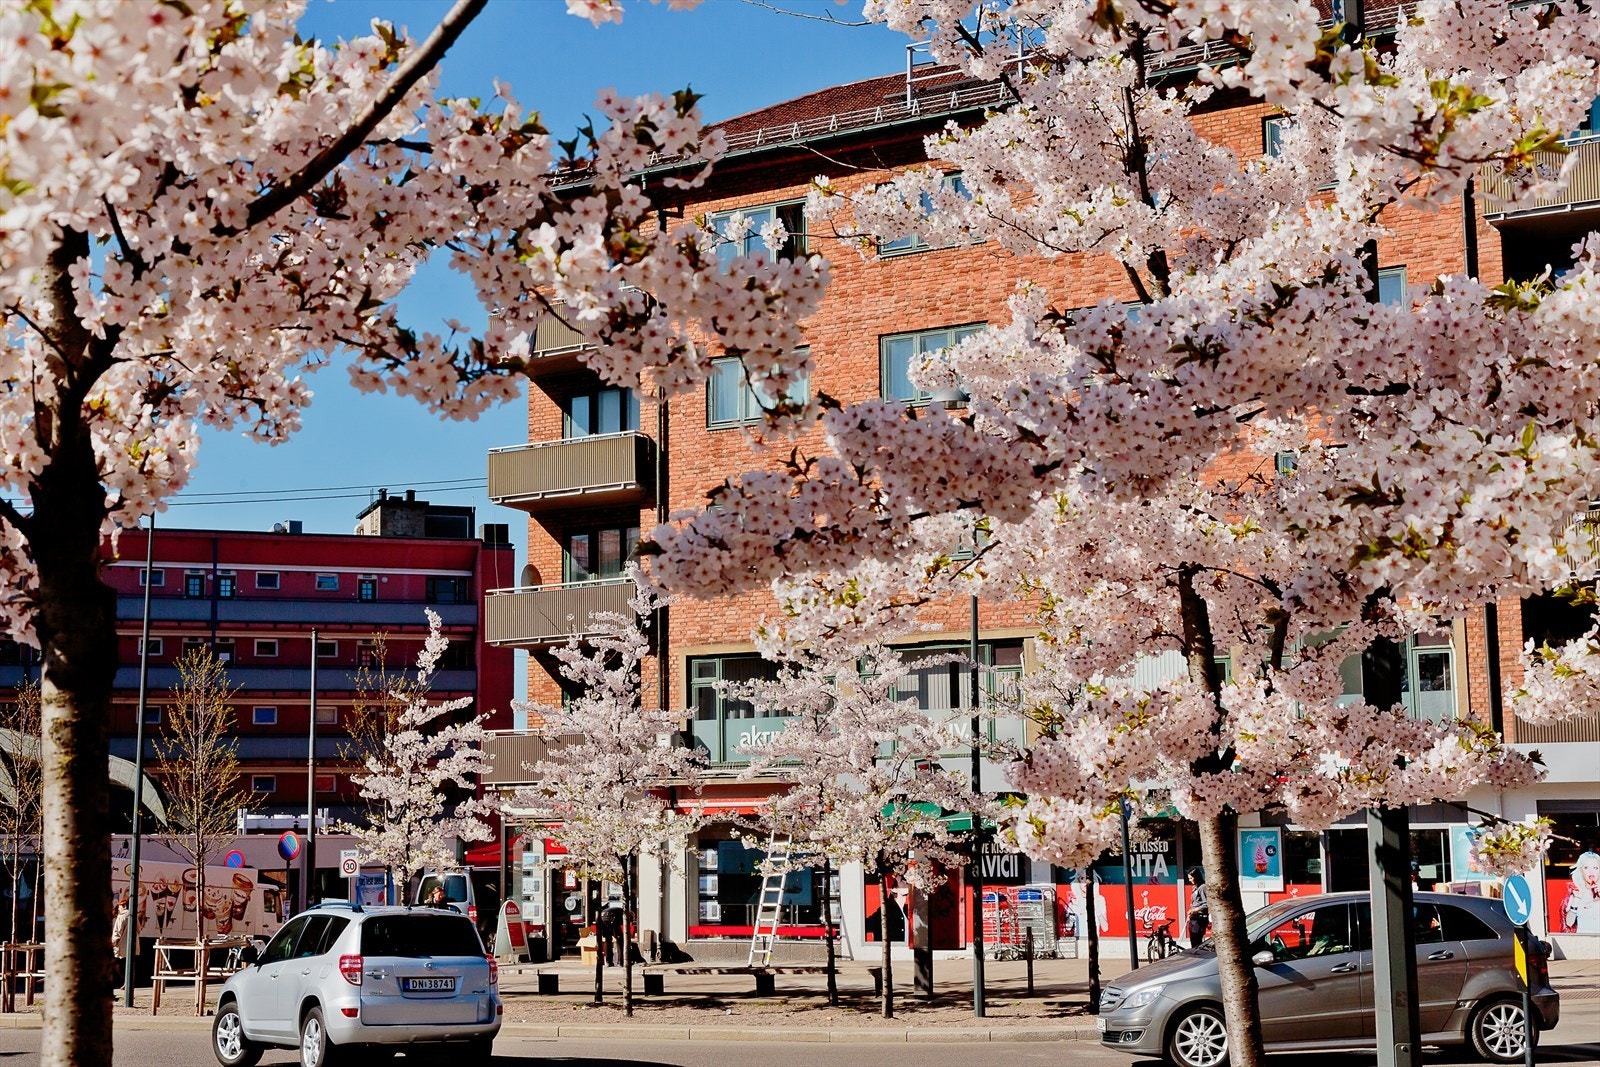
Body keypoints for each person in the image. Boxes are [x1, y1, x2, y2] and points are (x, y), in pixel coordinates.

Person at [1185, 868, 1208, 949]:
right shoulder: (1195, 887)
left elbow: (1206, 904)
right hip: (1193, 918)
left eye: (1191, 878)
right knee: (1193, 940)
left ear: (1196, 877)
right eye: (1189, 878)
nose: (1189, 880)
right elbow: (1194, 902)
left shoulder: (1202, 887)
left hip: (1199, 918)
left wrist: (1195, 910)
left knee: (1197, 941)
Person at [599, 901, 625, 966]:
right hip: (611, 920)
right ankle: (620, 962)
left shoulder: (617, 910)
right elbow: (618, 924)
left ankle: (608, 962)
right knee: (620, 941)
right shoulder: (623, 913)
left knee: (608, 941)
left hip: (603, 921)